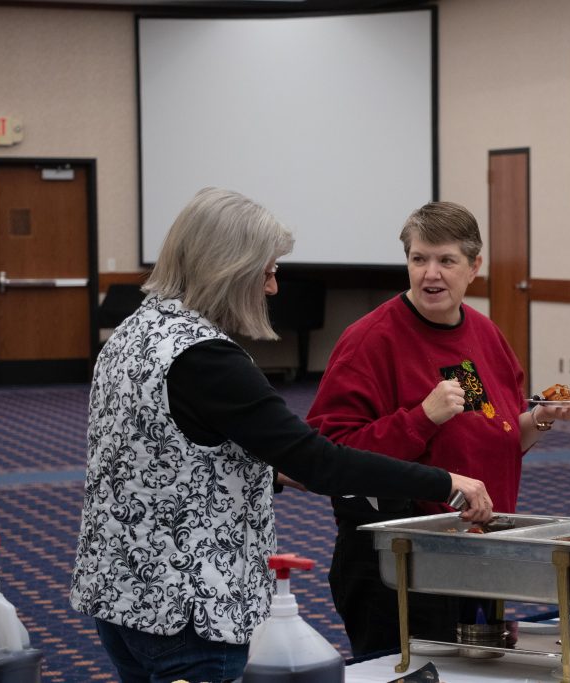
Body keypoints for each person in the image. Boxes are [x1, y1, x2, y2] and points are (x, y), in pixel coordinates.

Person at [69, 188, 494, 683]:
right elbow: (321, 459)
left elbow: (162, 450)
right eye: (268, 270)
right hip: (187, 608)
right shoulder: (207, 358)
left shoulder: (135, 331)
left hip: (121, 592)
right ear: (229, 267)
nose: (272, 287)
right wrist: (443, 483)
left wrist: (269, 472)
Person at [306, 201, 570, 656]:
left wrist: (542, 418)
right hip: (399, 563)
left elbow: (490, 436)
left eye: (446, 261)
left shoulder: (482, 335)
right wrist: (421, 417)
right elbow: (327, 454)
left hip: (479, 555)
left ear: (474, 266)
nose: (430, 274)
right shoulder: (370, 341)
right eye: (418, 259)